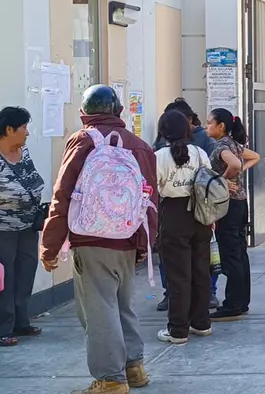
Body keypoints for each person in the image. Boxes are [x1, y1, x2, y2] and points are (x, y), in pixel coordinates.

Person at [40, 85, 158, 394]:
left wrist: (50, 244)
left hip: (90, 239)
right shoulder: (140, 146)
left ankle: (110, 379)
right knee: (122, 304)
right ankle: (134, 368)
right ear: (120, 112)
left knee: (98, 308)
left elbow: (61, 194)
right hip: (129, 238)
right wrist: (145, 243)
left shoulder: (82, 141)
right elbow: (150, 200)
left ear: (83, 114)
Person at [0, 107, 45, 347]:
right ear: (9, 129)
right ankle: (1, 327)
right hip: (0, 228)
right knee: (3, 277)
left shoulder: (23, 152)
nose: (27, 133)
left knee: (25, 272)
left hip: (28, 226)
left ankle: (21, 321)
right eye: (23, 128)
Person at [152, 99, 219, 312]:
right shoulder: (199, 153)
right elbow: (210, 181)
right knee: (200, 269)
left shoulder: (159, 156)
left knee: (177, 273)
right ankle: (201, 322)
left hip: (173, 214)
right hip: (200, 213)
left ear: (163, 131)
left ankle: (178, 328)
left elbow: (151, 190)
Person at [206, 108, 261, 322]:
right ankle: (242, 301)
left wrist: (221, 179)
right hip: (240, 202)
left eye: (210, 122)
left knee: (230, 255)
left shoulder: (222, 146)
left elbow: (235, 164)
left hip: (228, 206)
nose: (206, 126)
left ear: (221, 126)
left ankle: (232, 305)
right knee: (239, 252)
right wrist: (237, 174)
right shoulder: (233, 143)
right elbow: (254, 157)